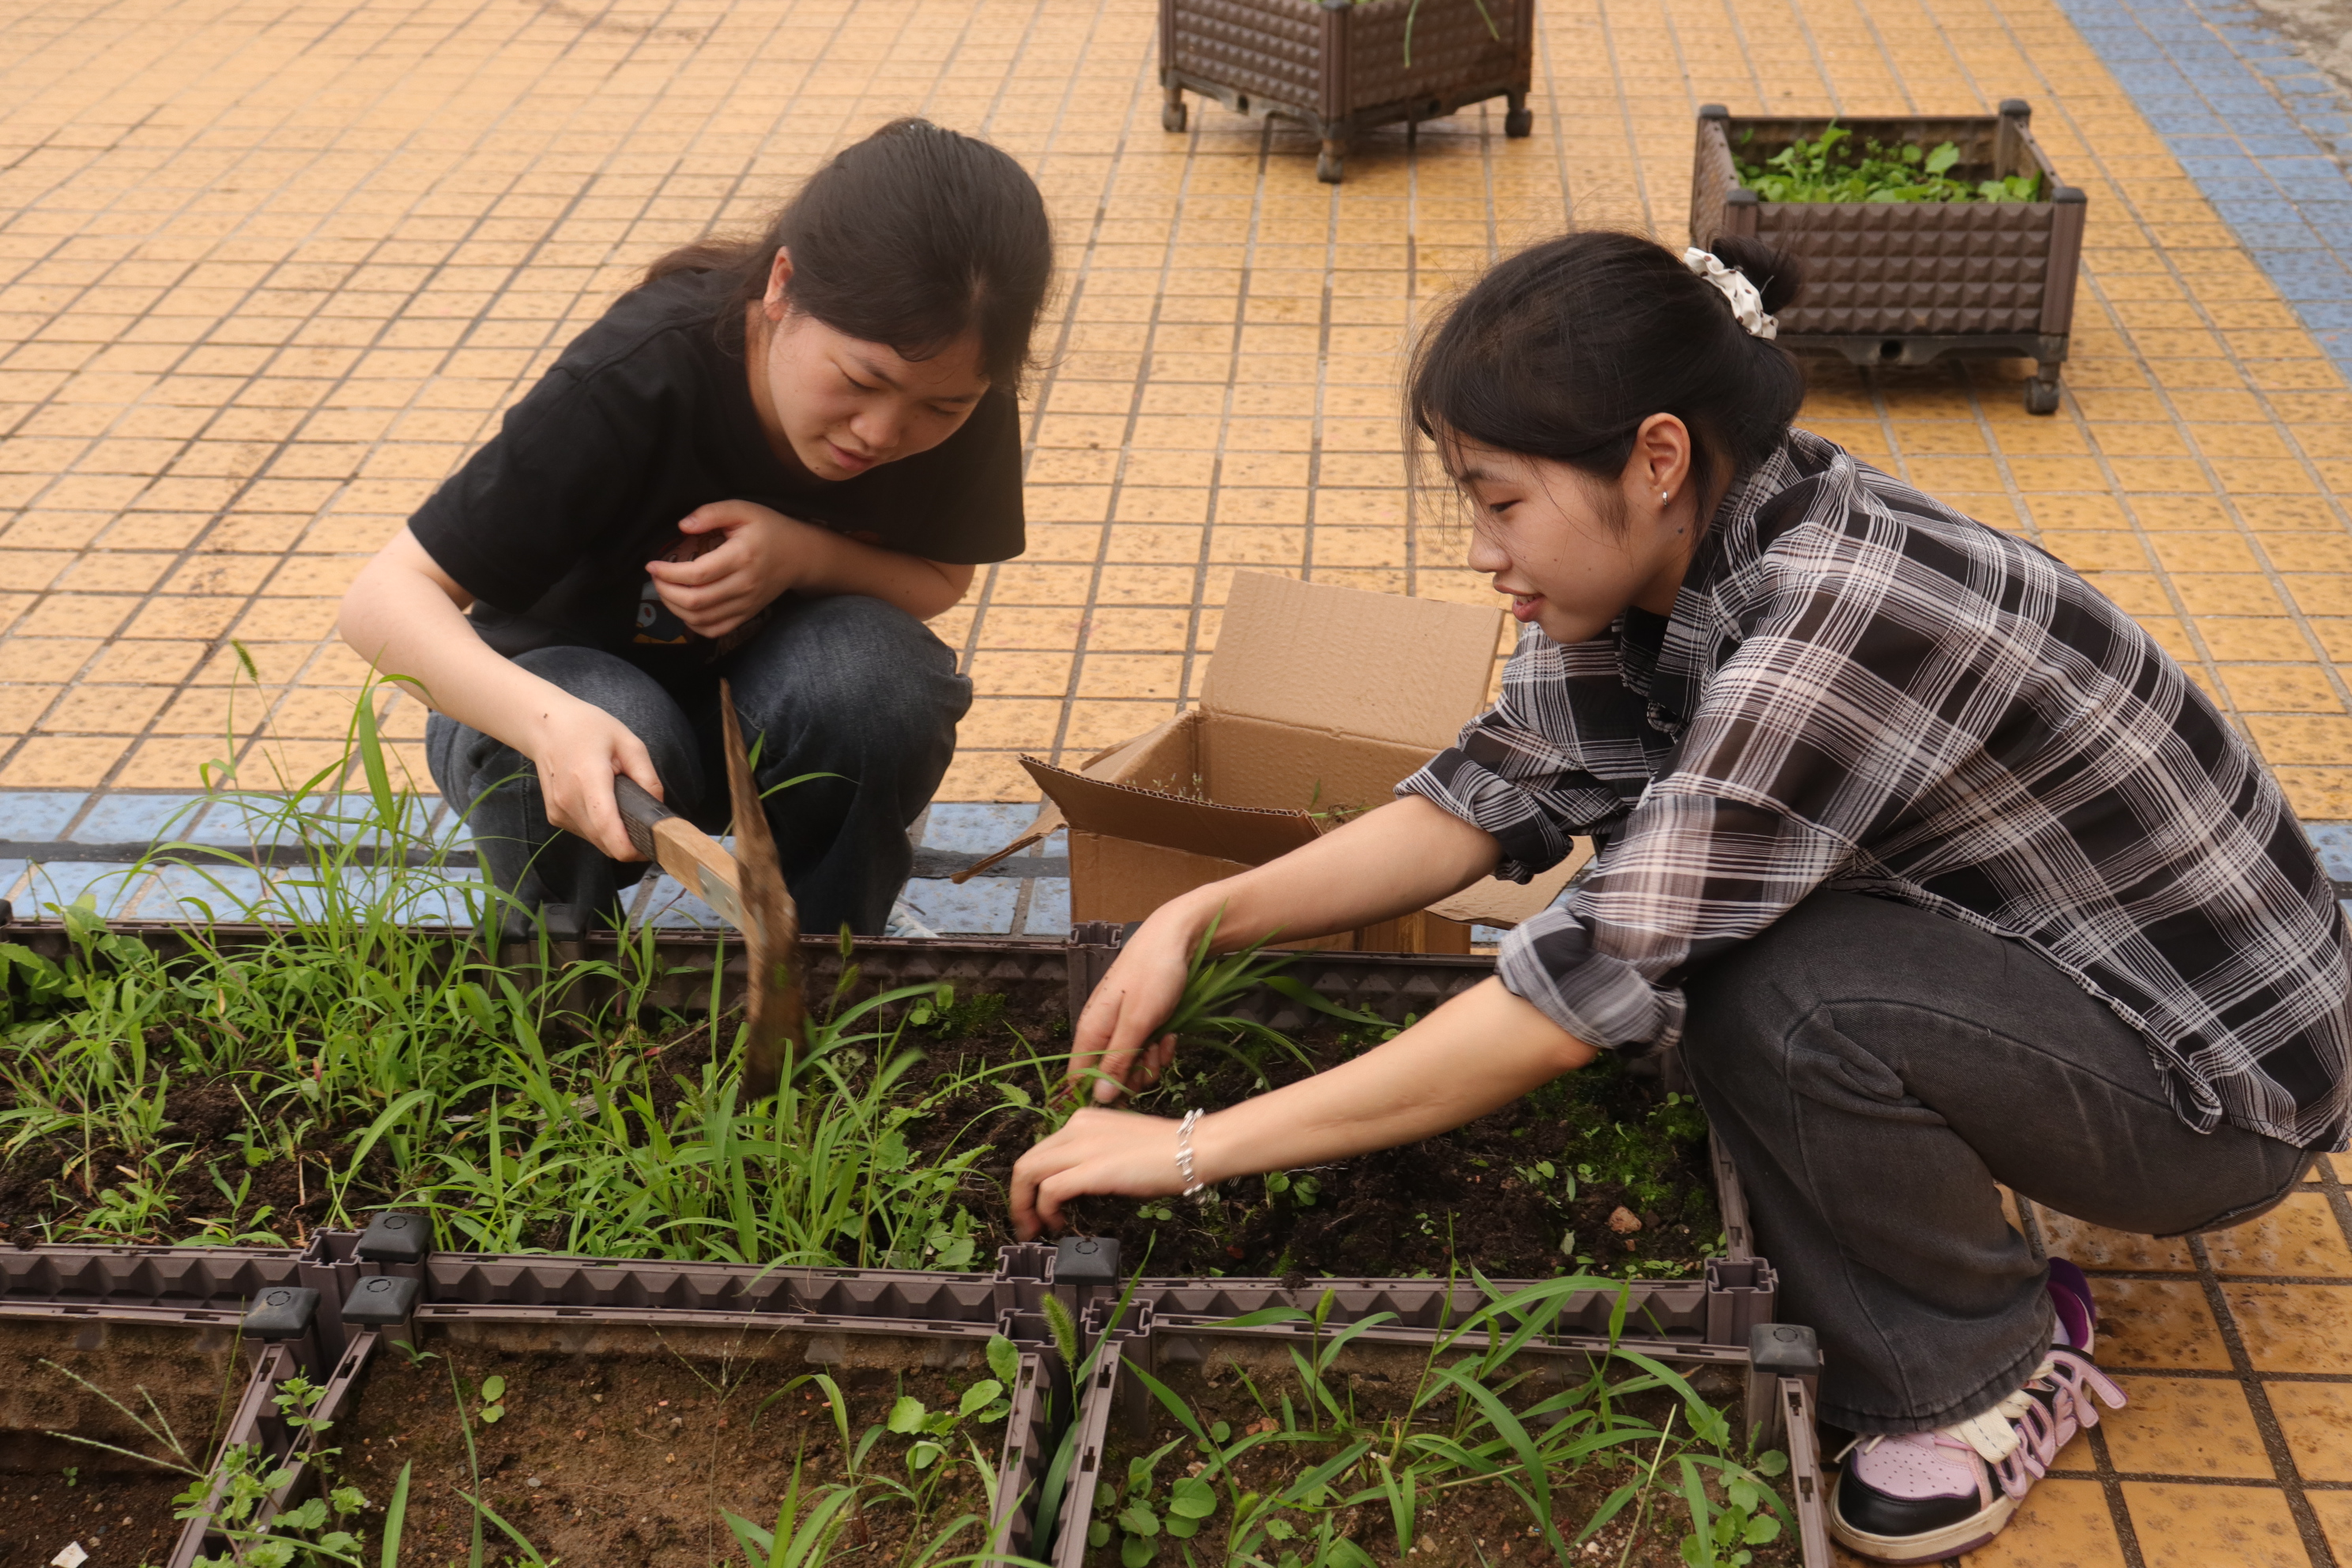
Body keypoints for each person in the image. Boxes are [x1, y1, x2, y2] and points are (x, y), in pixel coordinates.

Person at [1008, 230, 2352, 1564]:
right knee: (1721, 957)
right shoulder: (1691, 546)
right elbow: (1483, 796)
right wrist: (1203, 913)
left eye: (1499, 499)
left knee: (1770, 988)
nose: (1482, 550)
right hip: (2068, 976)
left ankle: (1988, 1365)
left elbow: (1568, 992)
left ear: (1654, 458)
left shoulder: (1835, 618)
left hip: (2212, 1089)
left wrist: (1187, 1149)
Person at [338, 119, 1053, 937]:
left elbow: (940, 579)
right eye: (861, 380)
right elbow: (381, 597)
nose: (883, 434)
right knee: (591, 709)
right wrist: (545, 721)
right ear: (783, 286)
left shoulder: (960, 380)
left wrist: (802, 555)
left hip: (768, 714)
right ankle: (558, 971)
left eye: (941, 407)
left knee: (881, 680)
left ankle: (830, 951)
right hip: (572, 710)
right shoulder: (637, 375)